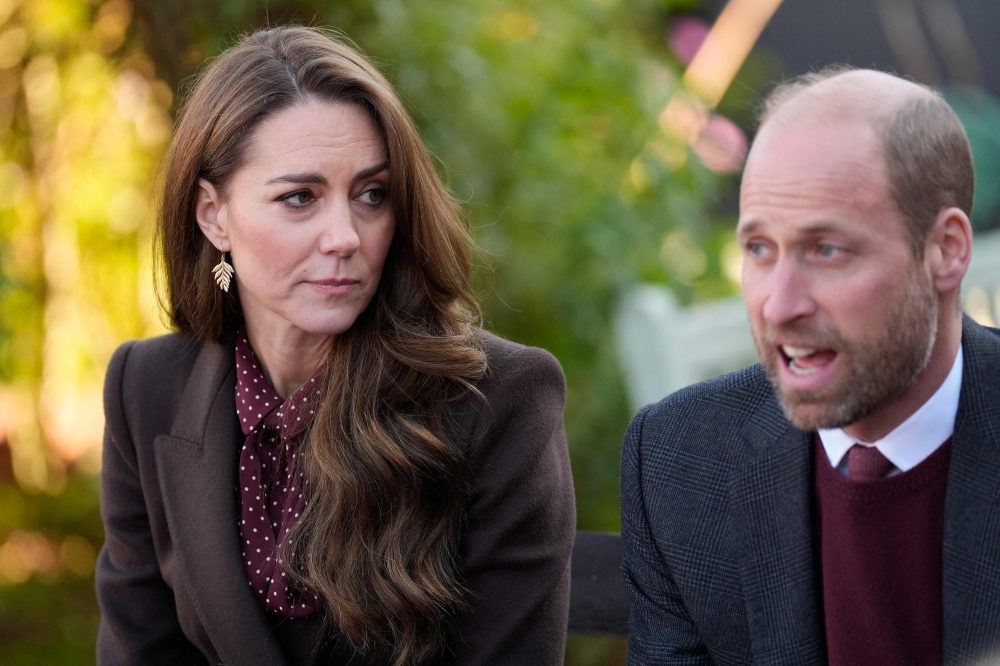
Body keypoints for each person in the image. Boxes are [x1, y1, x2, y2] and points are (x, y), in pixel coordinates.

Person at [95, 26, 575, 666]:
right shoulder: (146, 389)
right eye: (300, 198)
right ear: (214, 216)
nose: (346, 236)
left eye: (371, 195)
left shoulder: (497, 401)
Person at [621, 66, 1000, 665]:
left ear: (946, 250)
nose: (780, 303)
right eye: (759, 249)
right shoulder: (680, 460)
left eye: (827, 250)